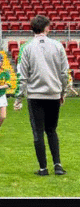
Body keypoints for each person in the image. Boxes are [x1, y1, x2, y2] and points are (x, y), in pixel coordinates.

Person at [14, 15, 69, 176]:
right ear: (46, 28)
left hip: (35, 96)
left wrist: (18, 98)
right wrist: (63, 91)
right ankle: (58, 165)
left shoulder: (26, 47)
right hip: (53, 94)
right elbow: (64, 73)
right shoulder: (58, 46)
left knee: (38, 132)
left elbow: (22, 76)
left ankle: (43, 168)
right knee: (52, 130)